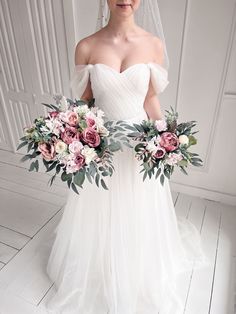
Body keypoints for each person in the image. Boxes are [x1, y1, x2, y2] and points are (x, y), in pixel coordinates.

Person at [45, 1, 208, 313]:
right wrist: (66, 134)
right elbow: (84, 102)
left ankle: (135, 263)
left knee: (137, 210)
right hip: (101, 150)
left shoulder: (153, 44)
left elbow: (150, 99)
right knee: (100, 212)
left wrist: (166, 139)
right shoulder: (87, 46)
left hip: (138, 152)